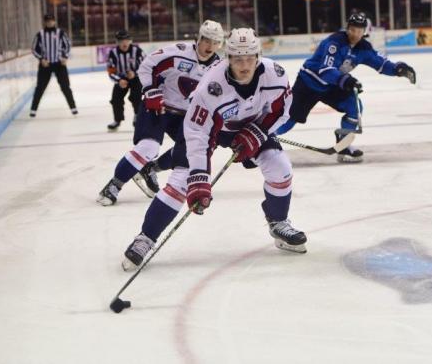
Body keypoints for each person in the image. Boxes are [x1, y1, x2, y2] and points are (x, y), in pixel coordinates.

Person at [121, 28, 306, 271]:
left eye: (249, 57)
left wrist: (259, 132)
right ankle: (146, 237)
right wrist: (200, 178)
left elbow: (282, 111)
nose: (244, 65)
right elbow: (197, 134)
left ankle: (278, 221)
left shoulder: (275, 75)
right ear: (228, 58)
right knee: (182, 179)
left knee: (279, 165)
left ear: (258, 56)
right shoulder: (210, 86)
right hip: (209, 131)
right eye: (238, 59)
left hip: (251, 126)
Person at [97, 20, 225, 205]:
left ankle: (150, 168)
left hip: (184, 116)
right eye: (207, 40)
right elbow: (147, 65)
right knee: (148, 147)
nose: (210, 46)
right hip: (158, 107)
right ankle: (113, 185)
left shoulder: (218, 69)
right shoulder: (178, 51)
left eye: (215, 42)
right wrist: (150, 90)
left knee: (194, 149)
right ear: (199, 38)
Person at [276, 12, 417, 163]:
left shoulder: (364, 48)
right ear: (347, 28)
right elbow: (325, 70)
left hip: (332, 85)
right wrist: (347, 81)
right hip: (309, 83)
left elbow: (380, 63)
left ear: (365, 32)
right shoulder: (335, 43)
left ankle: (343, 145)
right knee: (289, 120)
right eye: (352, 29)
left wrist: (398, 69)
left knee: (354, 106)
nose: (355, 33)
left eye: (359, 30)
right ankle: (262, 140)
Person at [29, 14, 77, 117]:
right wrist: (41, 59)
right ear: (45, 22)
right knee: (40, 87)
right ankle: (33, 110)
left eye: (51, 20)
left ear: (54, 21)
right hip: (45, 65)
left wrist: (65, 56)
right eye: (48, 21)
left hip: (59, 64)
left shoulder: (61, 33)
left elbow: (67, 45)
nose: (50, 22)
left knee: (65, 87)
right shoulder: (40, 34)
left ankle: (73, 108)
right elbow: (34, 49)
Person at [106, 30, 145, 131]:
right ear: (117, 42)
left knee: (136, 97)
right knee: (116, 99)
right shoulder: (113, 53)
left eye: (127, 40)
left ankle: (137, 116)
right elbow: (111, 71)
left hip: (136, 78)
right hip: (121, 79)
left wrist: (135, 73)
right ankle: (117, 120)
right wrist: (119, 81)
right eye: (121, 40)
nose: (124, 43)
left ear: (130, 41)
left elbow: (145, 66)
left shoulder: (137, 51)